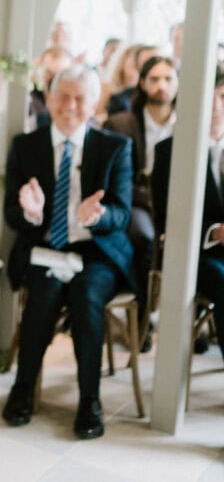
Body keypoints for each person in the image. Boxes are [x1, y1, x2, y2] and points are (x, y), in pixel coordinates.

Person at [1, 64, 135, 440]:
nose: (70, 106)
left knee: (86, 297)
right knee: (42, 296)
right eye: (64, 96)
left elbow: (122, 214)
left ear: (93, 105)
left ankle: (90, 401)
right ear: (48, 99)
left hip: (95, 249)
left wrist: (101, 215)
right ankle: (22, 389)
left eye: (80, 98)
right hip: (45, 247)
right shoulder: (25, 146)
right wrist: (30, 212)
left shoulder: (115, 147)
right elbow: (12, 213)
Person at [103, 55, 177, 347]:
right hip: (137, 201)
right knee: (145, 238)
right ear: (143, 84)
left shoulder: (188, 125)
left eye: (168, 79)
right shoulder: (122, 123)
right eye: (155, 79)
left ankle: (188, 321)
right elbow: (114, 178)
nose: (162, 86)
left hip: (176, 202)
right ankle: (143, 320)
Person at [151, 69, 224, 363]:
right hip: (196, 252)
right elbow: (166, 216)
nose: (217, 106)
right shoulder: (171, 152)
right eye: (212, 98)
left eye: (222, 97)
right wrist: (214, 231)